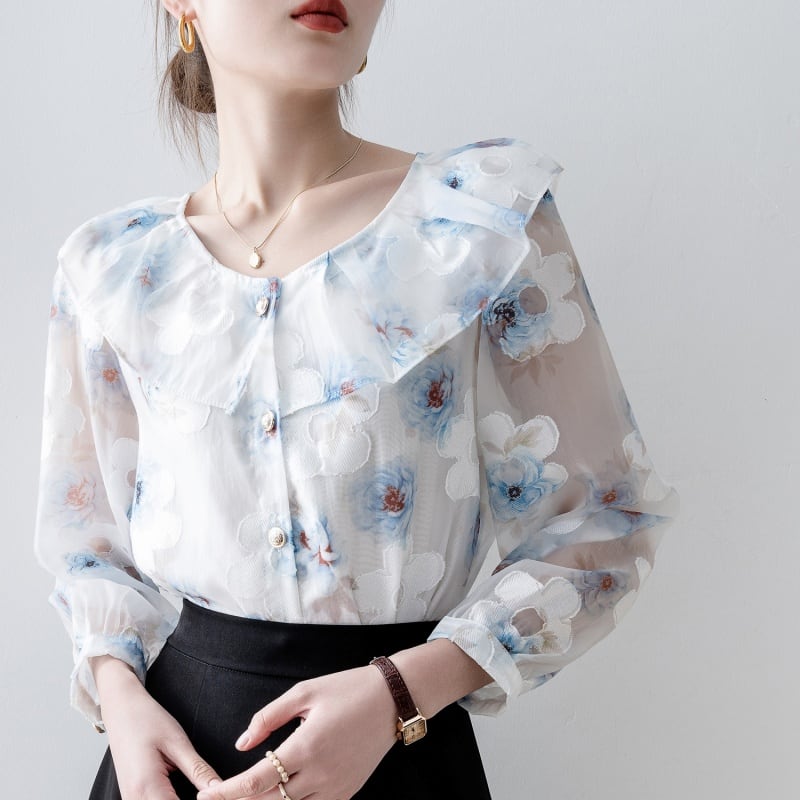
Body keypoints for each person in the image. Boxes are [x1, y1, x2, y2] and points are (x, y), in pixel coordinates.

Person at [33, 2, 680, 799]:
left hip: (403, 757)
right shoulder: (113, 270)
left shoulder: (479, 224)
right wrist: (121, 699)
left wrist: (398, 695)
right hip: (170, 769)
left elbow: (607, 521)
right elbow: (88, 545)